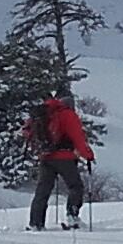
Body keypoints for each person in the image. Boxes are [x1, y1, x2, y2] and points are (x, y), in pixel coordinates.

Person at [24, 88, 92, 230]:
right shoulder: (68, 114)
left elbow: (27, 131)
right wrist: (88, 155)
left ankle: (36, 223)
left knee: (43, 190)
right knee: (75, 186)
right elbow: (78, 138)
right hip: (64, 157)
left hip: (45, 156)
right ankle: (72, 216)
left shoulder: (45, 112)